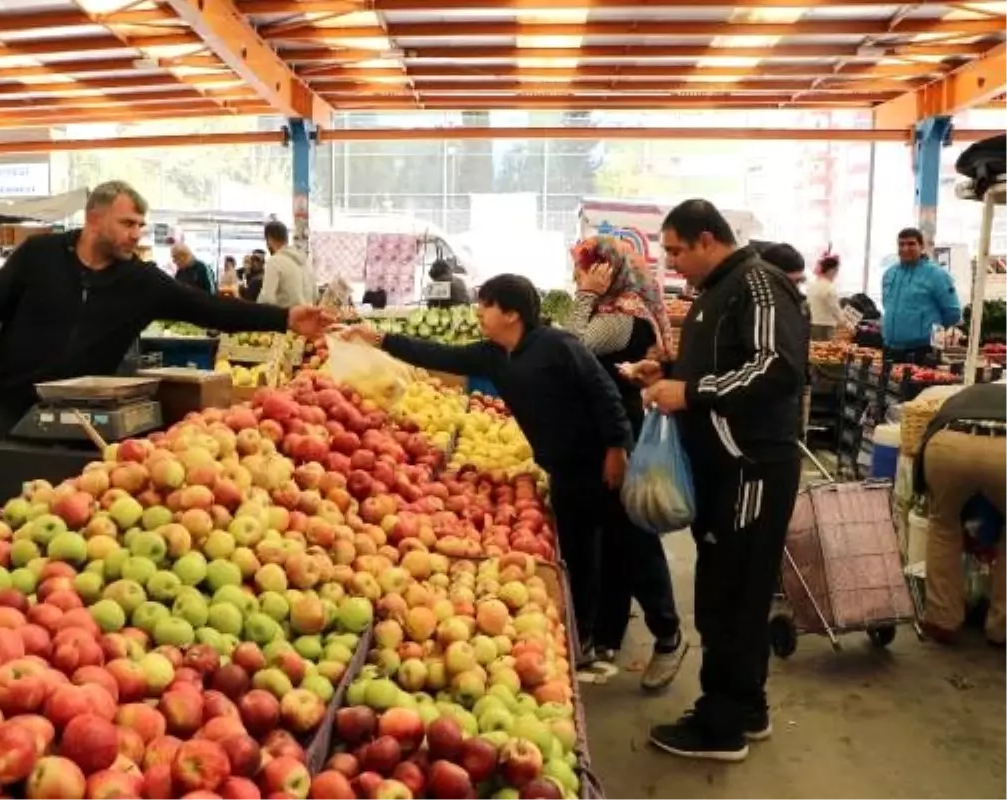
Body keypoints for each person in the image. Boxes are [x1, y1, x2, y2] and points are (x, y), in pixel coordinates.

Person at [338, 274, 635, 677]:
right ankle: (586, 638)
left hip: (596, 460)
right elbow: (436, 354)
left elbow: (605, 392)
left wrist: (616, 448)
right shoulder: (494, 355)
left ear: (511, 314)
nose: (478, 311)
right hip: (560, 466)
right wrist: (379, 338)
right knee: (580, 550)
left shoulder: (557, 345)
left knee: (620, 547)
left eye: (485, 305)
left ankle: (622, 637)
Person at [0, 181, 334, 468]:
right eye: (127, 223)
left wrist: (284, 318)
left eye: (140, 225)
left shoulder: (142, 282)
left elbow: (210, 309)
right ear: (94, 219)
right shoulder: (39, 255)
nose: (136, 234)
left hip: (82, 418)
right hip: (8, 401)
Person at [634, 199, 808, 762]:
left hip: (751, 468)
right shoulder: (715, 291)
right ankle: (747, 707)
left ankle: (720, 727)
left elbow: (778, 366)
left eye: (676, 250)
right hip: (725, 469)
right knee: (734, 590)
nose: (671, 262)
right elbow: (721, 366)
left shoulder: (758, 283)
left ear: (708, 239)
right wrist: (671, 374)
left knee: (731, 595)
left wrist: (693, 392)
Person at [563, 234, 685, 688]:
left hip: (621, 436)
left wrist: (586, 297)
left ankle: (668, 633)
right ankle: (607, 632)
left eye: (583, 267)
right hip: (605, 434)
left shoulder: (622, 315)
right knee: (612, 536)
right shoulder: (613, 310)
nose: (577, 275)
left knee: (632, 537)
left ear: (607, 271)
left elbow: (570, 347)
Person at [913, 383, 1007, 645]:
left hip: (949, 444)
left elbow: (925, 436)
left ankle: (942, 619)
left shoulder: (959, 395)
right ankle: (1002, 627)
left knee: (943, 524)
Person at [881, 227, 962, 364]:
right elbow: (886, 304)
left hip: (921, 351)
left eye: (911, 244)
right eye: (901, 244)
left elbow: (953, 312)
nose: (906, 248)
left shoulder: (936, 275)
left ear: (921, 246)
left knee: (916, 386)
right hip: (890, 348)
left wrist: (930, 333)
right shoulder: (890, 273)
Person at [258, 221, 309, 308]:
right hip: (306, 317)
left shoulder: (274, 261)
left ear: (269, 239)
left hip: (286, 318)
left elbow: (267, 299)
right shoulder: (306, 262)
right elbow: (315, 295)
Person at [806, 253, 846, 341]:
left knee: (814, 350)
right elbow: (834, 308)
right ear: (831, 270)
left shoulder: (812, 285)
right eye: (836, 270)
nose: (836, 274)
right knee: (825, 351)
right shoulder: (829, 287)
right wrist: (845, 323)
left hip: (812, 323)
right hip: (825, 326)